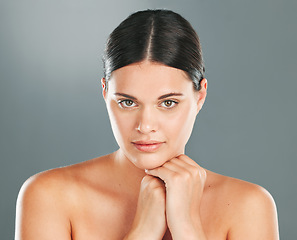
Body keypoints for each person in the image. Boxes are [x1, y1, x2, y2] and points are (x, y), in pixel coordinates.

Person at [15, 9, 279, 240]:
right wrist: (141, 232)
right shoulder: (50, 197)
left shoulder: (249, 206)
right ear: (105, 93)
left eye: (168, 103)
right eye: (128, 102)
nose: (146, 125)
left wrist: (187, 228)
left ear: (200, 97)